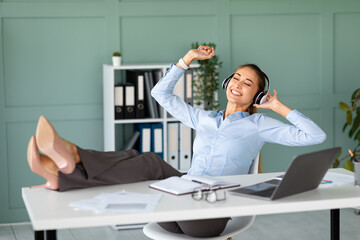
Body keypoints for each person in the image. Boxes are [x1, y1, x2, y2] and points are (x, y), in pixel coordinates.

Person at [26, 45, 326, 237]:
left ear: (256, 96)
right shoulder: (205, 118)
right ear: (226, 83)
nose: (238, 84)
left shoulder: (259, 125)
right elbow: (160, 95)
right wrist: (187, 60)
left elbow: (314, 136)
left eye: (248, 83)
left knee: (151, 170)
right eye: (235, 77)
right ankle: (67, 168)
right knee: (148, 160)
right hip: (180, 197)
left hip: (212, 209)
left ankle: (69, 164)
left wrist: (277, 107)